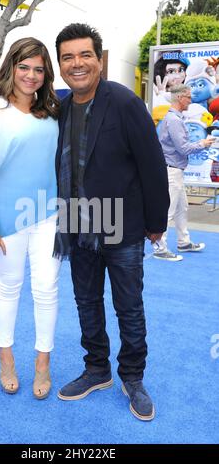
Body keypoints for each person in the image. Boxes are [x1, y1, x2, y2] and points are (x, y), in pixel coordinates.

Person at [53, 23, 170, 421]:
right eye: (68, 57)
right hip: (77, 225)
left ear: (99, 60)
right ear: (60, 64)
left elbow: (152, 163)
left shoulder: (124, 102)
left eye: (84, 55)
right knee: (86, 302)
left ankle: (133, 377)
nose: (77, 63)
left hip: (122, 225)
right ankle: (97, 368)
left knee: (128, 307)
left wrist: (156, 221)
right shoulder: (62, 107)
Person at [0, 38, 61, 398]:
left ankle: (43, 364)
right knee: (9, 288)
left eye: (39, 69)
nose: (31, 75)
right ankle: (6, 358)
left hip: (50, 212)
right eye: (24, 67)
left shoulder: (52, 109)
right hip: (7, 217)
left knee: (47, 289)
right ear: (11, 67)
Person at [153, 84, 215, 262]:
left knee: (181, 208)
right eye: (188, 96)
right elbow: (183, 148)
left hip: (174, 171)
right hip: (172, 171)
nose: (191, 99)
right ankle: (159, 247)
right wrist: (202, 144)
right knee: (169, 210)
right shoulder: (174, 120)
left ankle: (183, 241)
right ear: (180, 98)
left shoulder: (174, 118)